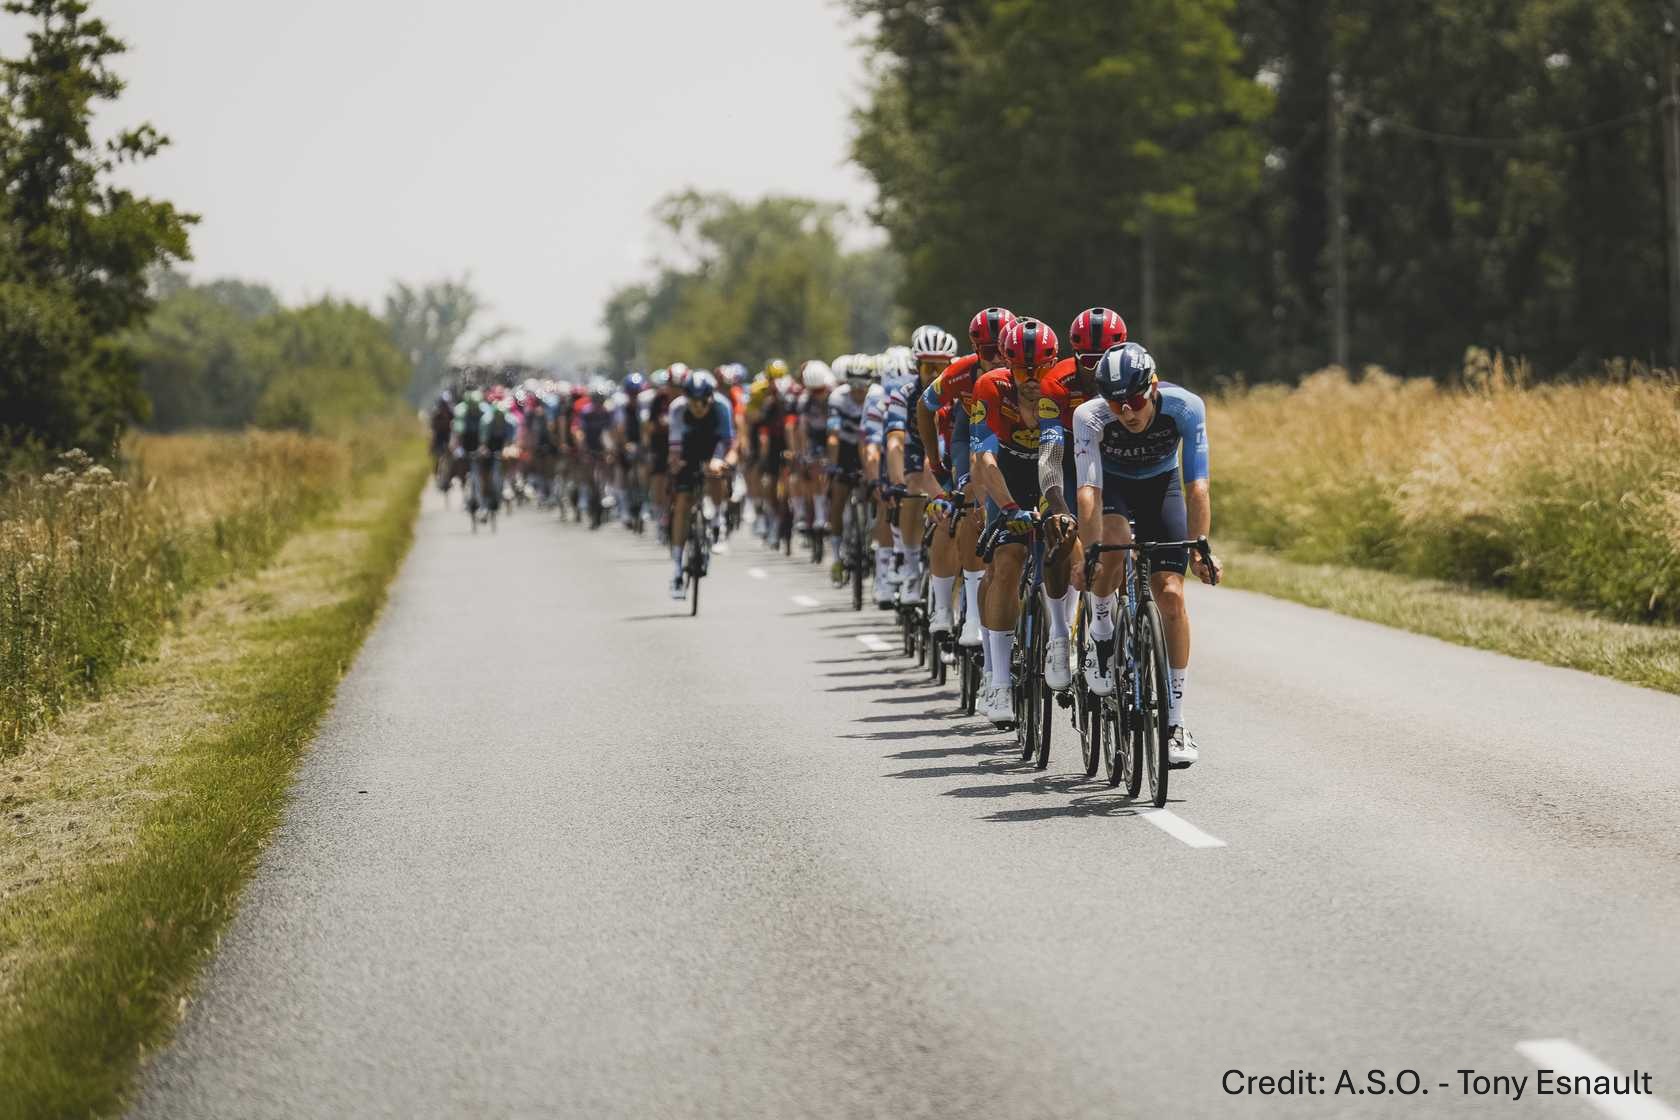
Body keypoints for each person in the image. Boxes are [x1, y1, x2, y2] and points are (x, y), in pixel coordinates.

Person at [1072, 341, 1222, 766]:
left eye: (1135, 401)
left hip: (1162, 487)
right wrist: (1089, 552)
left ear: (1153, 387)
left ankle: (1175, 723)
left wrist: (1200, 548)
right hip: (1113, 488)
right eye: (1116, 404)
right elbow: (1088, 491)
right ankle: (1101, 636)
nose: (1127, 413)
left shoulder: (1185, 407)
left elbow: (1198, 486)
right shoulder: (1089, 417)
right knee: (1113, 546)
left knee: (1171, 595)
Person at [968, 317, 1075, 725]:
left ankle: (1062, 640)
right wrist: (1009, 507)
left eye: (1040, 368)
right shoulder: (990, 387)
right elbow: (984, 457)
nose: (1030, 378)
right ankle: (997, 682)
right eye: (1021, 369)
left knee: (1067, 545)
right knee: (1007, 560)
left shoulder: (1064, 388)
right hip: (1007, 473)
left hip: (1056, 472)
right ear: (1006, 364)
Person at [667, 370, 736, 598]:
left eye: (702, 403)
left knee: (716, 475)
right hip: (688, 448)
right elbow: (675, 448)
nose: (697, 408)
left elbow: (730, 444)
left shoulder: (722, 407)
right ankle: (677, 569)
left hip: (714, 445)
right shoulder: (677, 409)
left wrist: (721, 461)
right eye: (693, 403)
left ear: (710, 398)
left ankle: (718, 523)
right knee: (683, 502)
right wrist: (676, 464)